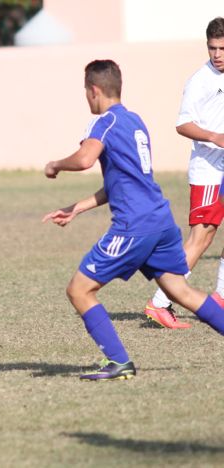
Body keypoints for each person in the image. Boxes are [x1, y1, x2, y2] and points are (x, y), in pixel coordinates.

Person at [42, 59, 224, 381]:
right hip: (161, 222)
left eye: (86, 91)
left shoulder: (103, 123)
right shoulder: (135, 122)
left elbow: (85, 159)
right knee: (181, 292)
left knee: (79, 290)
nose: (86, 97)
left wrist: (55, 164)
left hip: (134, 227)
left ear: (94, 90)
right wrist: (78, 208)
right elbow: (124, 183)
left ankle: (119, 362)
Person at [144, 17, 224, 329]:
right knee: (200, 238)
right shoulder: (199, 81)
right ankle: (159, 302)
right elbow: (182, 124)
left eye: (222, 48)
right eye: (212, 48)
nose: (217, 54)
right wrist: (216, 137)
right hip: (208, 169)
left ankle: (220, 295)